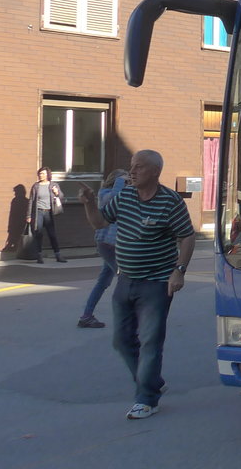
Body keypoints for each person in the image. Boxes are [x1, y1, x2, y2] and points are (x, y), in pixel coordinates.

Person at [79, 150, 195, 420]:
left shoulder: (170, 201)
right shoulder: (126, 196)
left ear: (155, 172)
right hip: (126, 278)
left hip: (157, 283)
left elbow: (187, 237)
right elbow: (100, 222)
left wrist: (179, 271)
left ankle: (146, 399)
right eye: (132, 166)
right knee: (121, 340)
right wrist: (89, 203)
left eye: (139, 167)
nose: (132, 172)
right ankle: (152, 382)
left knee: (150, 341)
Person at [78, 168, 127, 328]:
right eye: (124, 179)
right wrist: (121, 180)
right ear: (115, 180)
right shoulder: (105, 193)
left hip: (112, 244)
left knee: (103, 282)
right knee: (126, 279)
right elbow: (113, 198)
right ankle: (126, 317)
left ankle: (86, 316)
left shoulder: (123, 194)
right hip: (108, 244)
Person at [26, 167, 66, 263]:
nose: (41, 175)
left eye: (43, 173)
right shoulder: (36, 186)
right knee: (38, 234)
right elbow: (31, 201)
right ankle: (39, 255)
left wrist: (56, 192)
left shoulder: (53, 185)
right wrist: (28, 215)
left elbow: (61, 197)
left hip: (49, 213)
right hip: (38, 212)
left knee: (52, 234)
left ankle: (58, 255)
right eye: (40, 173)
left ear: (48, 174)